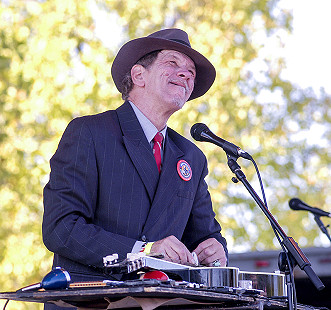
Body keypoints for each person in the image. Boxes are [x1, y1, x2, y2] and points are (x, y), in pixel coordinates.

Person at [42, 28, 227, 309]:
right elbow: (61, 228)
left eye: (191, 71)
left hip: (162, 302)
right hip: (91, 302)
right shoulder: (90, 133)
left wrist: (216, 250)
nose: (186, 74)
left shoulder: (192, 156)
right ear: (139, 75)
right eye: (173, 63)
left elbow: (204, 235)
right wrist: (143, 252)